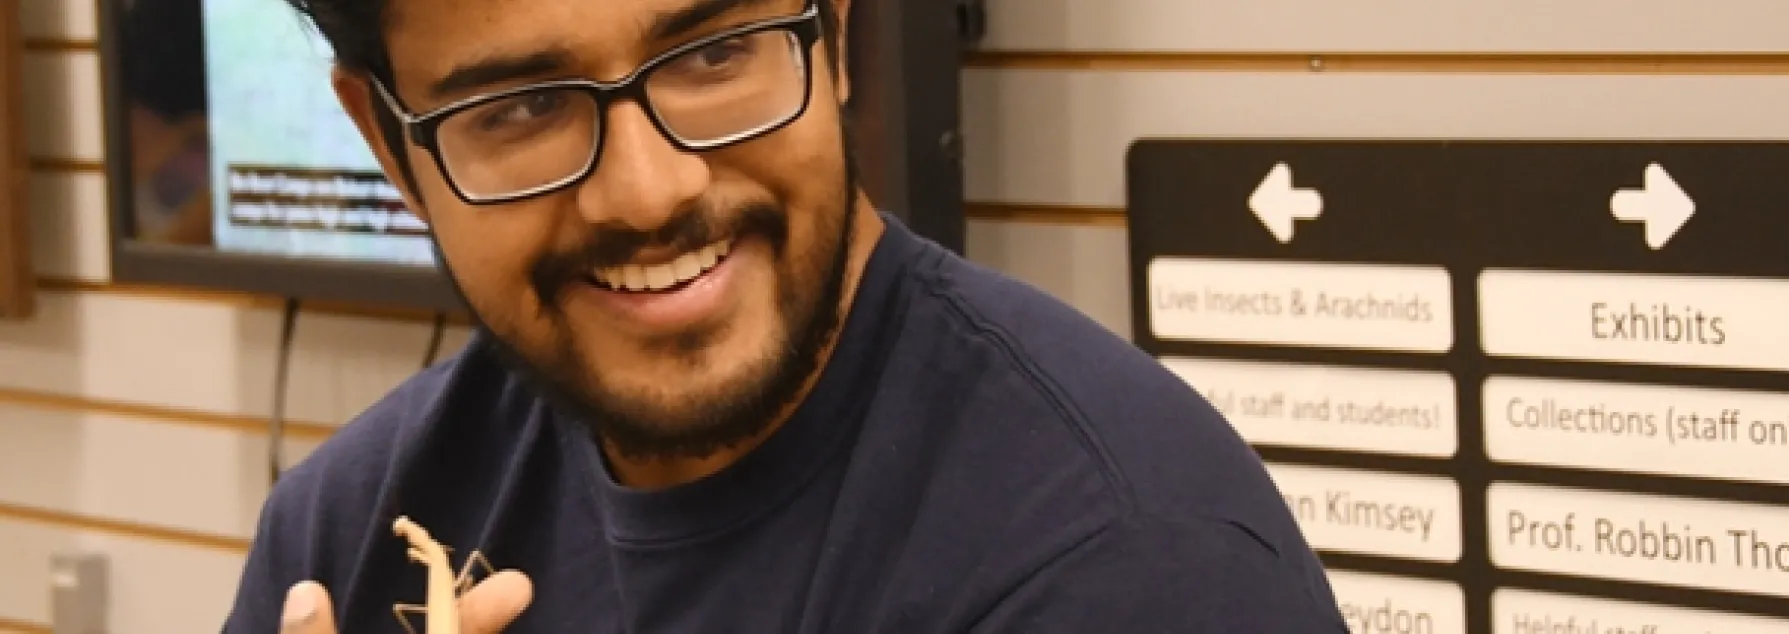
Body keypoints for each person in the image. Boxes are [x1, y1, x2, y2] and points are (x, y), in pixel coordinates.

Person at [226, 0, 1348, 631]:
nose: (649, 189)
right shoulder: (345, 536)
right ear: (389, 146)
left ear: (840, 34)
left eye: (714, 54)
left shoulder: (1129, 567)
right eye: (520, 108)